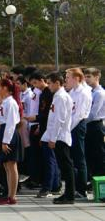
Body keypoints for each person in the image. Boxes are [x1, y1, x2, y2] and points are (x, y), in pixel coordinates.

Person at [44, 72, 75, 204]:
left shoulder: (61, 97)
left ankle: (69, 195)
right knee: (65, 167)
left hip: (60, 137)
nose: (48, 86)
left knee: (67, 167)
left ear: (57, 82)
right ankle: (68, 194)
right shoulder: (58, 96)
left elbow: (59, 120)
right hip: (58, 137)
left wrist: (53, 138)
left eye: (50, 83)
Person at [0, 78, 23, 205]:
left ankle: (12, 196)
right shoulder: (5, 102)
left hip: (9, 135)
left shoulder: (11, 103)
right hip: (4, 134)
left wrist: (5, 142)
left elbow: (11, 124)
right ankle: (8, 193)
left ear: (5, 88)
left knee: (11, 165)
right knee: (6, 166)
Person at [66, 68, 92, 199]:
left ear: (76, 78)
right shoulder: (72, 92)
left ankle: (82, 189)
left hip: (77, 126)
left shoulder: (84, 93)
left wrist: (68, 129)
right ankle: (75, 186)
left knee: (79, 157)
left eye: (68, 77)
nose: (66, 80)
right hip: (71, 126)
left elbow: (79, 115)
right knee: (73, 158)